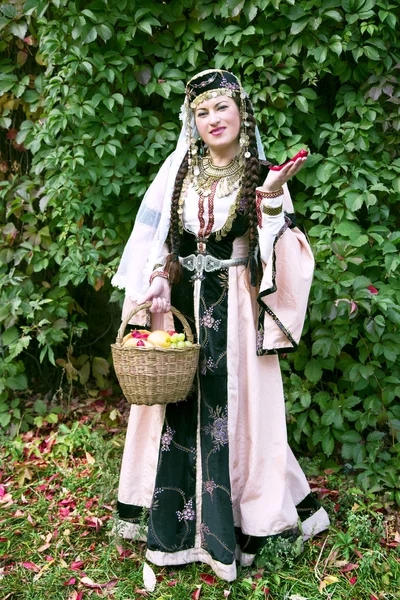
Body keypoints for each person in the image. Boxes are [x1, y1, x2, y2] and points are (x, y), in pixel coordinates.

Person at [111, 69, 329, 582]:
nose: (213, 119)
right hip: (186, 308)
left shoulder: (261, 174)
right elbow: (168, 246)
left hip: (236, 311)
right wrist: (162, 280)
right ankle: (172, 517)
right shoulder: (181, 172)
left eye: (221, 108)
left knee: (238, 409)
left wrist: (272, 200)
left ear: (241, 113)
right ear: (193, 122)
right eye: (202, 112)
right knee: (180, 405)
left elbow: (281, 254)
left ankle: (238, 519)